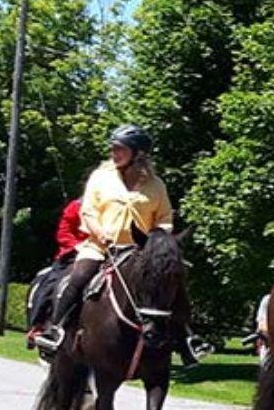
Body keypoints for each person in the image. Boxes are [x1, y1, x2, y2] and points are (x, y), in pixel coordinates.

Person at [32, 125, 209, 363]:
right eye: (113, 148)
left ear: (138, 153)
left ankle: (188, 340)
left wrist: (158, 240)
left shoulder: (156, 185)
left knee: (171, 282)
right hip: (100, 247)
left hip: (140, 251)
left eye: (120, 149)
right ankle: (56, 331)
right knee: (78, 278)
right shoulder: (100, 177)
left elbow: (164, 217)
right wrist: (100, 233)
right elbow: (88, 211)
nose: (114, 153)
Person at [25, 196, 84, 340]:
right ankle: (39, 323)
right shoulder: (76, 206)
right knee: (50, 284)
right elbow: (64, 233)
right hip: (74, 255)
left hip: (107, 254)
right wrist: (77, 246)